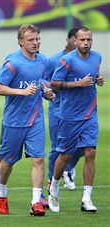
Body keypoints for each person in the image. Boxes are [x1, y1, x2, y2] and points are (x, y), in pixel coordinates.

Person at [0, 24, 55, 216]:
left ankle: (36, 201)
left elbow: (39, 83)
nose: (36, 43)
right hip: (14, 120)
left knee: (38, 159)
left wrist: (47, 93)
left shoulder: (42, 60)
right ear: (21, 41)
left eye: (37, 39)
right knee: (8, 161)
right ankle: (1, 192)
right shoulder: (13, 63)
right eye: (31, 40)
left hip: (35, 118)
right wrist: (22, 92)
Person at [48, 27, 104, 213]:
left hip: (89, 114)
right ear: (75, 41)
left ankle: (86, 199)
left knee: (90, 153)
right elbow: (54, 84)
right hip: (69, 116)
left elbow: (92, 76)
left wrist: (98, 79)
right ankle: (54, 190)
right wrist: (78, 83)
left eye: (89, 39)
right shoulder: (67, 60)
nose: (86, 43)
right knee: (65, 155)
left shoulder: (97, 57)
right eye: (82, 40)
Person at [43, 28, 84, 191]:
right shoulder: (54, 60)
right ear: (68, 40)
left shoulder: (83, 60)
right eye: (76, 39)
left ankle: (67, 167)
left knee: (83, 145)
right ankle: (51, 179)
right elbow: (43, 79)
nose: (79, 43)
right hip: (57, 109)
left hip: (77, 109)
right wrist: (51, 89)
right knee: (56, 146)